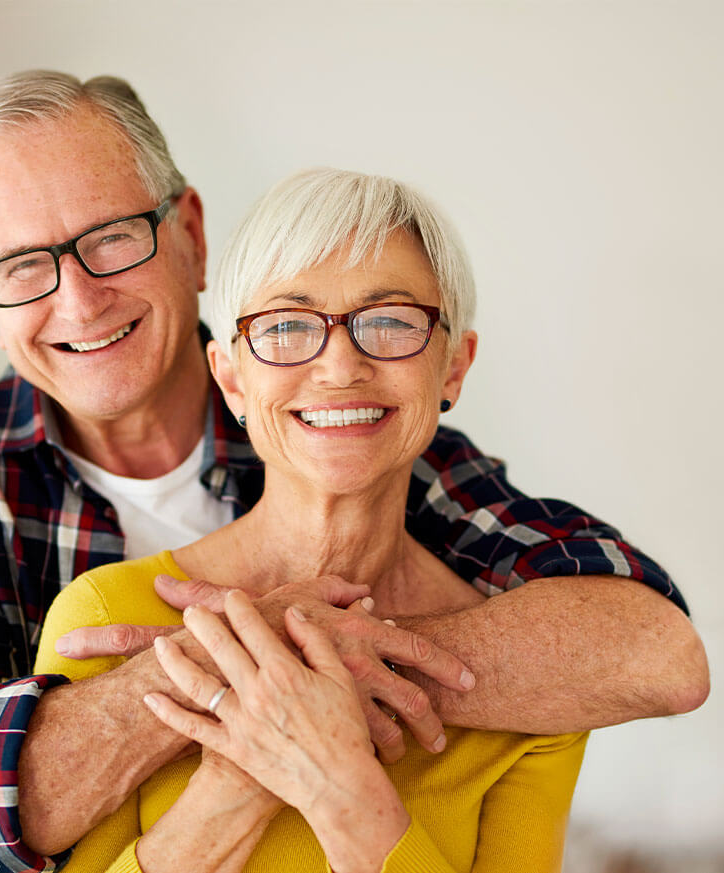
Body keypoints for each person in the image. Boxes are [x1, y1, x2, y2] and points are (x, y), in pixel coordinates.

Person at [0, 69, 707, 873]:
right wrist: (238, 674)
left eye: (112, 238)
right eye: (22, 265)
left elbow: (652, 648)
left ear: (189, 233)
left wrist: (312, 671)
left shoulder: (361, 435)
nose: (80, 301)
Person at [33, 167, 590, 872]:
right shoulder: (105, 616)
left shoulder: (537, 694)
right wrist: (246, 771)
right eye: (287, 326)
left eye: (389, 321)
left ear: (453, 367)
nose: (338, 366)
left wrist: (339, 786)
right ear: (232, 378)